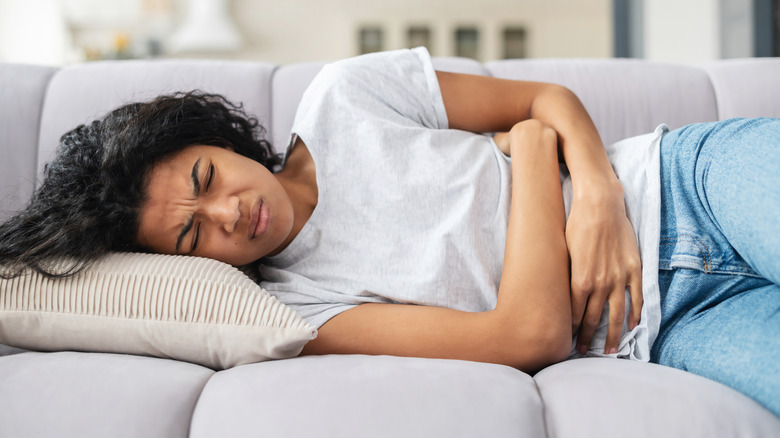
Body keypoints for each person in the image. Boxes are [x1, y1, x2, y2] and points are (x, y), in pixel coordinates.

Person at [0, 48, 777, 417]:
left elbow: (546, 95)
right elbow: (532, 333)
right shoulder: (306, 311)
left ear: (219, 139)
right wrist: (538, 156)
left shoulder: (346, 95)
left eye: (205, 180)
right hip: (665, 325)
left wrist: (600, 192)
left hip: (682, 179)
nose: (230, 214)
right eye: (191, 239)